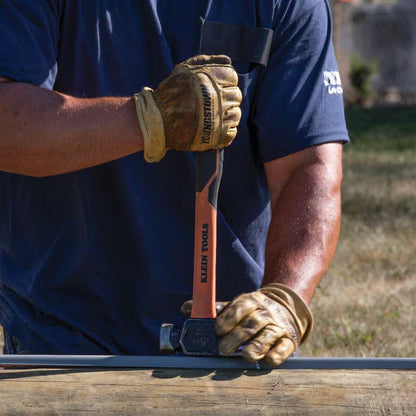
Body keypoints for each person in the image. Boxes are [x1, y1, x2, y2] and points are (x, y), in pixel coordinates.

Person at [0, 0, 349, 365]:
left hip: (229, 338)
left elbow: (307, 165)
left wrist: (284, 298)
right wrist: (151, 120)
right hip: (60, 334)